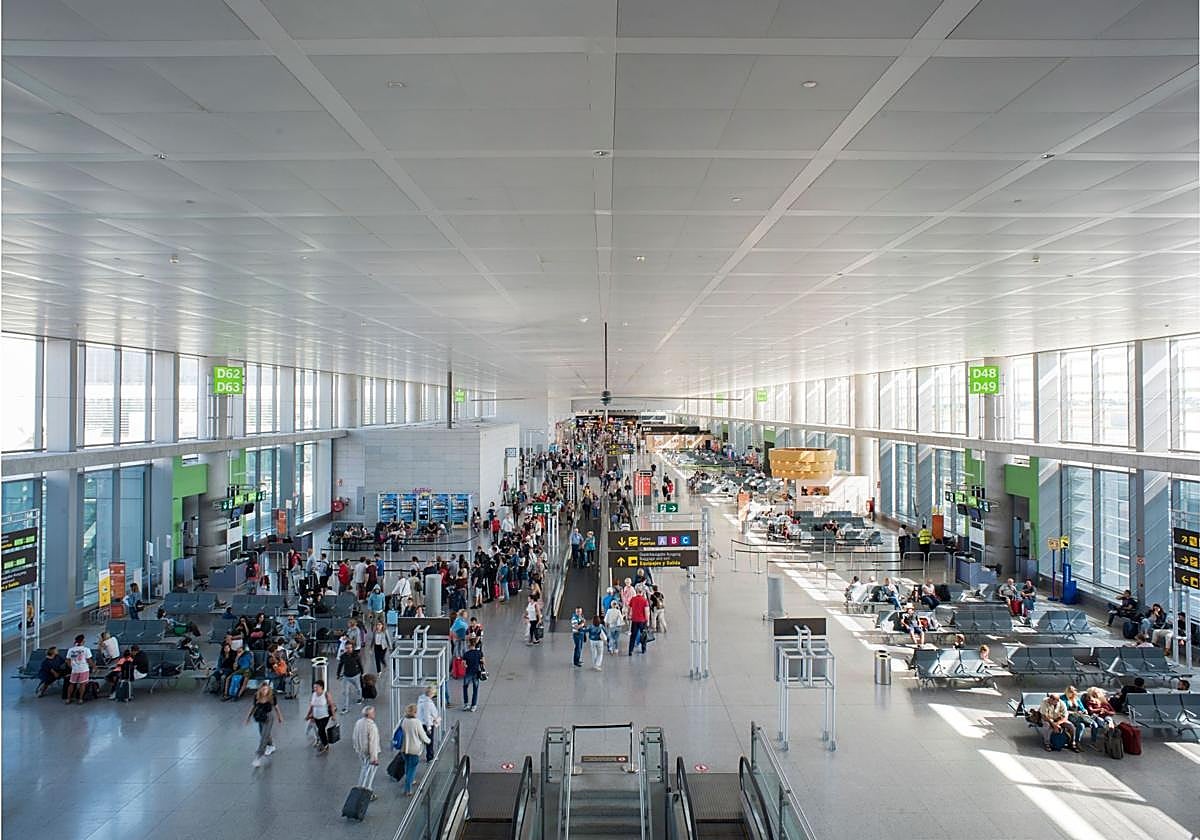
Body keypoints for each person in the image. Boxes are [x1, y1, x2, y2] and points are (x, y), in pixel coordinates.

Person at [246, 683, 283, 768]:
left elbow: (276, 707)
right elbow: (253, 707)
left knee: (264, 737)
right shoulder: (256, 696)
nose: (264, 691)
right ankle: (271, 745)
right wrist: (248, 717)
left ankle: (258, 756)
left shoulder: (272, 696)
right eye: (263, 689)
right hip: (260, 717)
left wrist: (280, 717)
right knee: (264, 733)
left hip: (269, 717)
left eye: (266, 689)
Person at [397, 703, 431, 796]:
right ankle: (408, 789)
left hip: (404, 748)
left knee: (407, 765)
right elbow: (423, 736)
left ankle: (410, 780)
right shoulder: (416, 722)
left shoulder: (403, 720)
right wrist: (429, 741)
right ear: (415, 712)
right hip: (414, 750)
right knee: (412, 769)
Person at [353, 705, 382, 800]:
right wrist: (374, 758)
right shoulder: (371, 726)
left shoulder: (359, 722)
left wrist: (357, 748)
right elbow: (372, 742)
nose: (375, 714)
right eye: (373, 712)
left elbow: (354, 737)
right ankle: (367, 791)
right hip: (369, 752)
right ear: (370, 714)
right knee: (370, 772)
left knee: (364, 769)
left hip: (361, 751)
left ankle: (360, 788)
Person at [305, 680, 336, 754]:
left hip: (325, 716)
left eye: (316, 687)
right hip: (316, 717)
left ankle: (325, 745)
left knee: (321, 730)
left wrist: (334, 715)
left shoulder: (326, 694)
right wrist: (308, 715)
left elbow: (331, 705)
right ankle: (323, 742)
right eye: (314, 687)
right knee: (320, 730)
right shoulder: (314, 694)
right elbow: (311, 706)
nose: (315, 689)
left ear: (321, 687)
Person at [64, 634, 93, 705]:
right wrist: (94, 667)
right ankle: (80, 699)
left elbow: (68, 660)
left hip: (74, 670)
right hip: (84, 669)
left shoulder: (71, 650)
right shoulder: (86, 649)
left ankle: (68, 698)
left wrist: (71, 667)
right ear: (83, 641)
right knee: (82, 684)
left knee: (72, 684)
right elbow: (89, 660)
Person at [337, 638, 364, 713]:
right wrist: (338, 674)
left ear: (352, 648)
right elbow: (340, 665)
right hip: (346, 676)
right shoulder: (343, 656)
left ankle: (360, 697)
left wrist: (362, 673)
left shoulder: (356, 655)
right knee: (345, 692)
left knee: (358, 688)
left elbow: (360, 664)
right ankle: (345, 707)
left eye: (349, 648)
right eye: (347, 648)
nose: (348, 649)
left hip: (355, 675)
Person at [416, 685, 440, 762]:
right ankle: (430, 756)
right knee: (429, 740)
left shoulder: (421, 699)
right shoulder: (428, 703)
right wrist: (429, 727)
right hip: (427, 724)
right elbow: (427, 716)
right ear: (431, 694)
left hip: (420, 722)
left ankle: (418, 753)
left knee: (421, 739)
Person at [461, 638, 485, 711]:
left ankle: (466, 704)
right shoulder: (479, 653)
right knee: (475, 689)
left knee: (465, 687)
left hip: (468, 672)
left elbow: (463, 665)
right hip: (476, 672)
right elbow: (483, 662)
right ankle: (473, 705)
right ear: (475, 644)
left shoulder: (466, 654)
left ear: (469, 644)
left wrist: (466, 665)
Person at [628, 586, 650, 656]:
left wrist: (629, 615)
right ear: (642, 592)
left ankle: (630, 651)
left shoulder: (633, 599)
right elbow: (646, 611)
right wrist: (647, 621)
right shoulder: (644, 600)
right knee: (643, 635)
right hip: (642, 621)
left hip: (634, 620)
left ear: (636, 592)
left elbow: (629, 608)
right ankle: (643, 649)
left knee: (633, 636)